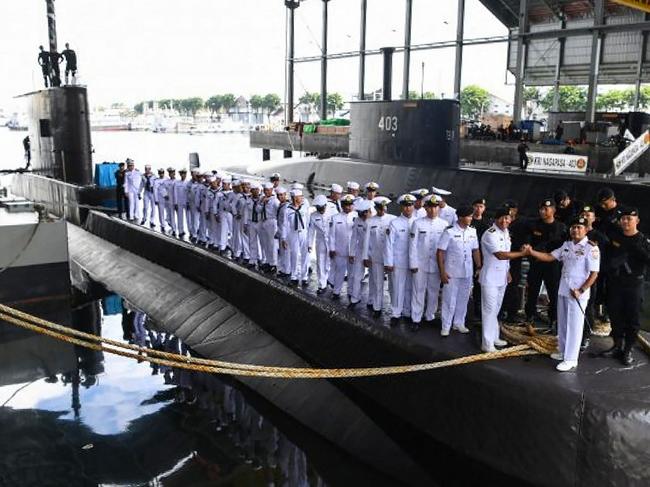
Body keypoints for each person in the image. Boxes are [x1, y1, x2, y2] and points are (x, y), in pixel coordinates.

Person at [525, 216, 600, 372]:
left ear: (586, 229)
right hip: (564, 289)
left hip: (577, 293)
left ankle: (571, 358)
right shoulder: (566, 245)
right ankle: (563, 351)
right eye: (573, 227)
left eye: (579, 227)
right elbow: (549, 257)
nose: (575, 230)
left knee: (574, 325)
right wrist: (532, 252)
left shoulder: (591, 248)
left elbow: (594, 274)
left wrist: (581, 290)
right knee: (563, 323)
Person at [601, 207, 650, 366]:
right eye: (623, 219)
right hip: (616, 283)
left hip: (634, 284)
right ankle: (617, 345)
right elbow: (605, 258)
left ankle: (628, 349)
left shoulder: (643, 240)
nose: (626, 221)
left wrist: (638, 251)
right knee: (615, 315)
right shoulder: (614, 238)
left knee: (632, 318)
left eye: (629, 218)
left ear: (637, 221)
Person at [479, 207, 527, 352]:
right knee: (489, 310)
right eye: (503, 218)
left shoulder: (505, 232)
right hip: (490, 278)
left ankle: (494, 337)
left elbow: (505, 260)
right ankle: (487, 343)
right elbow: (500, 255)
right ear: (496, 218)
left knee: (496, 309)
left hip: (501, 278)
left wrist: (508, 272)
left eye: (508, 218)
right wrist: (521, 253)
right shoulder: (490, 234)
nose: (505, 220)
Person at [437, 205, 481, 336]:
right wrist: (442, 272)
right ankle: (446, 325)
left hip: (467, 271)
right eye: (469, 216)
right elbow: (440, 252)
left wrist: (479, 266)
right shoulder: (449, 231)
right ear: (461, 217)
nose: (471, 218)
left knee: (463, 298)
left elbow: (475, 250)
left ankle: (459, 322)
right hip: (452, 271)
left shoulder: (472, 231)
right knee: (449, 299)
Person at [524, 198, 566, 328]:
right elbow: (528, 243)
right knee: (532, 291)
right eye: (541, 209)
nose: (542, 211)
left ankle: (553, 318)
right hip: (536, 262)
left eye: (546, 209)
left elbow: (563, 247)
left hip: (552, 265)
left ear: (553, 210)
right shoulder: (534, 225)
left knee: (553, 293)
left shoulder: (561, 227)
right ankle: (530, 315)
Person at [409, 195, 448, 330]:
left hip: (436, 264)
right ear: (425, 208)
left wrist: (444, 266)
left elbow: (446, 248)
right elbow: (413, 245)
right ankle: (416, 318)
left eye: (435, 207)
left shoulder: (444, 225)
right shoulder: (418, 223)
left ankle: (430, 315)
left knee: (433, 291)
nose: (432, 210)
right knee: (418, 290)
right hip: (420, 263)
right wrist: (413, 263)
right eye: (429, 207)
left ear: (438, 208)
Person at [384, 194, 417, 326]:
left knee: (410, 287)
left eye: (410, 205)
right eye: (405, 205)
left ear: (413, 206)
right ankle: (396, 313)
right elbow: (389, 244)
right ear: (401, 207)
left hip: (413, 262)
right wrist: (389, 262)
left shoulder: (418, 222)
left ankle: (408, 312)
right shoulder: (394, 223)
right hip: (399, 261)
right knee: (398, 287)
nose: (408, 208)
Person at [580, 204, 609, 350]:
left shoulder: (599, 237)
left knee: (588, 306)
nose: (585, 217)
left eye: (588, 215)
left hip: (590, 276)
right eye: (583, 215)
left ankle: (585, 334)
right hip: (573, 276)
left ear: (594, 218)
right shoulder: (573, 233)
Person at [364, 197, 395, 317]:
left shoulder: (393, 220)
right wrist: (365, 256)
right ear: (376, 208)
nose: (383, 210)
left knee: (393, 284)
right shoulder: (370, 221)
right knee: (377, 283)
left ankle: (396, 309)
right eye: (380, 208)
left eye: (384, 208)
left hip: (390, 258)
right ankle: (377, 307)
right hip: (375, 256)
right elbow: (366, 241)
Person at [500, 200, 526, 322]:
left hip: (515, 258)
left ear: (515, 210)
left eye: (510, 209)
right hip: (501, 258)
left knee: (513, 285)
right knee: (501, 285)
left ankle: (512, 313)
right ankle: (501, 310)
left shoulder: (521, 224)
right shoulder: (501, 223)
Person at [328, 194, 357, 299]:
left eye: (350, 205)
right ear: (342, 205)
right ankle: (336, 291)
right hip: (340, 250)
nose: (348, 207)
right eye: (346, 205)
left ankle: (350, 292)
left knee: (352, 273)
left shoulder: (357, 217)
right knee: (339, 272)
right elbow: (331, 235)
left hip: (353, 251)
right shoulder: (335, 218)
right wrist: (332, 248)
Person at [283, 189, 311, 286]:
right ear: (295, 198)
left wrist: (309, 238)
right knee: (294, 255)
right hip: (293, 233)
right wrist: (284, 239)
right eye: (300, 197)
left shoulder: (304, 208)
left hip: (303, 232)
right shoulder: (287, 210)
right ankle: (294, 277)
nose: (302, 198)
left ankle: (304, 277)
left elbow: (308, 222)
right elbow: (284, 225)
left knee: (305, 255)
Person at [348, 200, 372, 307]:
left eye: (363, 214)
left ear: (368, 212)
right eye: (360, 214)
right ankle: (354, 299)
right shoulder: (357, 220)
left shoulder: (375, 220)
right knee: (356, 275)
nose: (361, 217)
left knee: (374, 278)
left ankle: (372, 301)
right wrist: (352, 253)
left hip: (373, 251)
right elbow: (354, 238)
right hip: (360, 250)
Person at [308, 195, 330, 294]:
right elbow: (311, 231)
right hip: (320, 241)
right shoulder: (313, 216)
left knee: (331, 262)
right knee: (320, 262)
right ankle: (322, 284)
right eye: (318, 208)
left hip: (332, 241)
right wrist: (309, 244)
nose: (321, 210)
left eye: (322, 208)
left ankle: (330, 279)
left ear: (325, 205)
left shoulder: (332, 213)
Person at [260, 182, 280, 272]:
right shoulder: (263, 199)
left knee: (272, 244)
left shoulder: (275, 201)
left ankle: (273, 264)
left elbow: (279, 213)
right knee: (265, 243)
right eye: (265, 190)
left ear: (272, 190)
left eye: (268, 190)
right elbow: (257, 210)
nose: (266, 192)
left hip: (272, 222)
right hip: (264, 221)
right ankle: (268, 261)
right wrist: (261, 203)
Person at [173, 168, 189, 238]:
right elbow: (175, 194)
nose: (183, 175)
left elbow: (189, 194)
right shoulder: (177, 183)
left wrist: (188, 202)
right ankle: (180, 231)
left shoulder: (188, 183)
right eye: (182, 174)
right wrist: (175, 203)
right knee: (180, 217)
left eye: (184, 174)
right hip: (179, 202)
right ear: (180, 174)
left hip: (186, 202)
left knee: (188, 218)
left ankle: (191, 232)